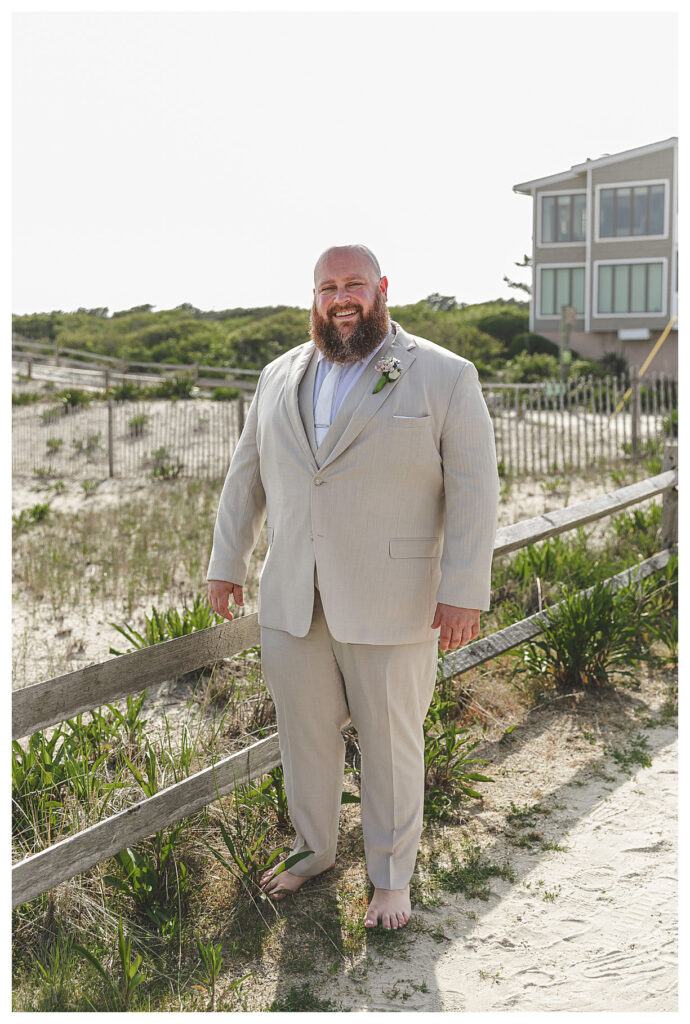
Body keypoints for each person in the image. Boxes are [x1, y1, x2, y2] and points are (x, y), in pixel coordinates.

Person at [208, 244, 499, 930]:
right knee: (304, 735)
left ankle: (391, 877)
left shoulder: (436, 373)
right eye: (327, 287)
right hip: (292, 598)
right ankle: (313, 850)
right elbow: (245, 474)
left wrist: (464, 588)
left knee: (391, 741)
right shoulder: (278, 374)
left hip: (393, 597)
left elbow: (474, 489)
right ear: (314, 296)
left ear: (381, 289)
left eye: (354, 285)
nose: (341, 298)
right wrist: (227, 561)